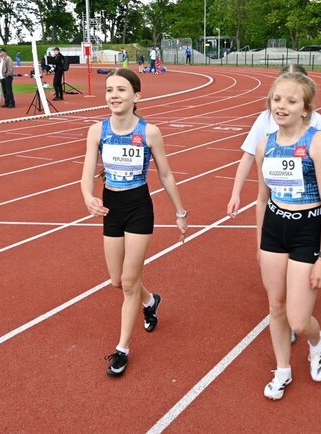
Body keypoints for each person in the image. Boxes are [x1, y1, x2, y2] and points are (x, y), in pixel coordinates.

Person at [80, 68, 188, 377]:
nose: (114, 95)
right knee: (117, 281)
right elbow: (87, 172)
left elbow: (166, 174)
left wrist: (180, 212)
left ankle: (122, 350)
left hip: (139, 207)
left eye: (121, 90)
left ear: (136, 95)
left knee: (129, 283)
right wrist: (88, 196)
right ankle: (151, 300)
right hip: (111, 208)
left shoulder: (149, 132)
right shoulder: (97, 131)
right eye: (109, 90)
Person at [255, 72, 321, 400]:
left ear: (305, 108)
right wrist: (260, 243)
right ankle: (282, 369)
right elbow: (261, 199)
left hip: (308, 229)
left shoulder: (318, 142)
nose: (282, 106)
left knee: (299, 320)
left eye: (291, 101)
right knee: (275, 307)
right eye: (277, 99)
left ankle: (317, 344)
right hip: (274, 229)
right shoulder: (265, 145)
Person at [227, 64, 321, 218]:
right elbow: (249, 154)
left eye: (292, 100)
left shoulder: (317, 122)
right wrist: (235, 194)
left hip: (307, 208)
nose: (282, 105)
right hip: (276, 204)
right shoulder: (265, 118)